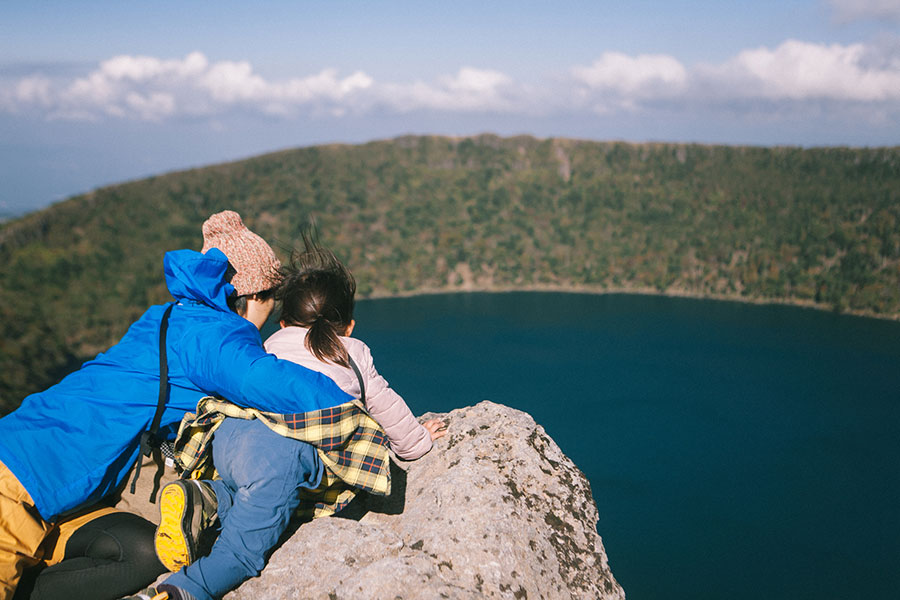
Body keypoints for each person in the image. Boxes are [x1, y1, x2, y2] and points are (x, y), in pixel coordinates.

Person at [0, 211, 353, 600]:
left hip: (57, 500)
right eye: (271, 299)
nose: (269, 316)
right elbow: (265, 380)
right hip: (18, 487)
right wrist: (356, 413)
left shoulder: (166, 317)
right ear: (252, 296)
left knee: (148, 551)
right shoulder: (212, 337)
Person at [138, 235, 447, 600]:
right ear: (348, 326)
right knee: (242, 553)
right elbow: (388, 409)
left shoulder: (270, 345)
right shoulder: (354, 351)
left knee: (251, 489)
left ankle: (205, 495)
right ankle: (180, 591)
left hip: (230, 439)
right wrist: (419, 440)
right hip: (279, 456)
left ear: (284, 323)